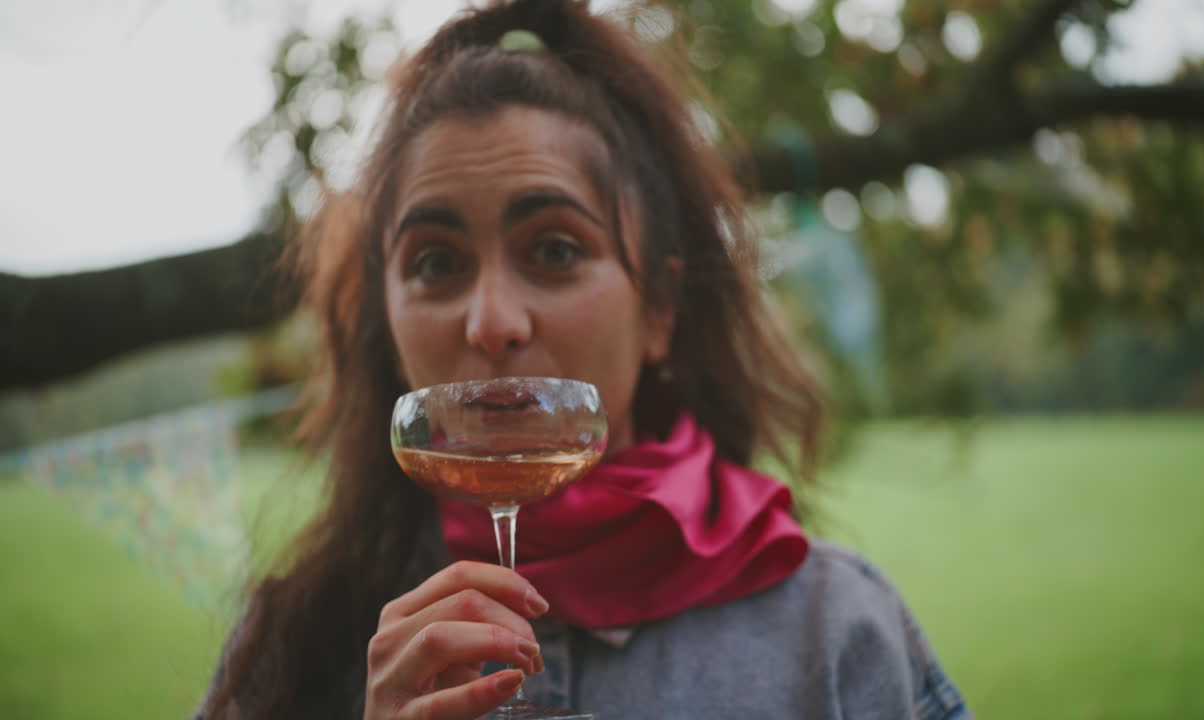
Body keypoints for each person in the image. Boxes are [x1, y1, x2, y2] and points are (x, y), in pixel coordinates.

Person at [194, 0, 971, 718]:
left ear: (659, 311)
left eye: (556, 249)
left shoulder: (835, 634)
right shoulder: (290, 647)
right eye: (434, 263)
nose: (492, 321)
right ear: (386, 324)